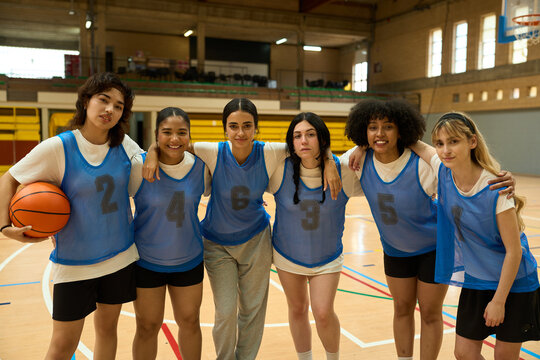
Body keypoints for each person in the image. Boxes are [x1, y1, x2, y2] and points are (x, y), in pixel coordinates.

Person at [143, 98, 341, 360]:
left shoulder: (269, 152)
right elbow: (173, 145)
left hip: (256, 240)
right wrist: (152, 153)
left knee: (252, 311)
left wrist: (328, 161)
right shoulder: (212, 151)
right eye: (233, 126)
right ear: (225, 129)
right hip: (217, 243)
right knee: (225, 311)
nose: (240, 133)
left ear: (256, 128)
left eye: (247, 126)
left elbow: (307, 147)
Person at [343, 99, 514, 360]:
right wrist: (355, 150)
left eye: (388, 126)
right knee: (401, 308)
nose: (380, 133)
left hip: (433, 249)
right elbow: (325, 167)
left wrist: (502, 177)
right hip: (395, 250)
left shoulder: (422, 164)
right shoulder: (356, 161)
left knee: (430, 312)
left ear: (401, 130)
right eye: (372, 127)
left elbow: (464, 174)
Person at [0, 72, 142, 360]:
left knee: (107, 331)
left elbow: (148, 163)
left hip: (120, 257)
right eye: (104, 100)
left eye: (118, 106)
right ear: (86, 100)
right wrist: (4, 226)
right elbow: (9, 178)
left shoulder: (125, 145)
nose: (110, 110)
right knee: (63, 344)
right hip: (74, 265)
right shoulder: (58, 147)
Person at [411, 112, 540, 360]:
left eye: (454, 141)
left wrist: (499, 301)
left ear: (472, 142)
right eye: (439, 143)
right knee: (464, 353)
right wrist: (362, 149)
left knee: (504, 356)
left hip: (512, 283)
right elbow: (412, 142)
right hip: (477, 279)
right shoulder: (443, 172)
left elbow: (514, 251)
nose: (445, 150)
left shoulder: (495, 187)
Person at [267, 112, 362, 360]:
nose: (304, 141)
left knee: (322, 311)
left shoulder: (343, 171)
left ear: (322, 138)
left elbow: (372, 143)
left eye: (311, 134)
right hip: (288, 254)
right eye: (297, 136)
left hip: (327, 257)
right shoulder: (279, 168)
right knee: (297, 309)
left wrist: (331, 159)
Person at [130, 107, 211, 360]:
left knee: (190, 321)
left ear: (189, 136)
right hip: (146, 261)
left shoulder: (201, 167)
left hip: (188, 259)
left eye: (181, 132)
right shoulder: (138, 166)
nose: (174, 139)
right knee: (147, 326)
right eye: (166, 132)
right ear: (156, 135)